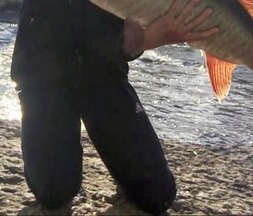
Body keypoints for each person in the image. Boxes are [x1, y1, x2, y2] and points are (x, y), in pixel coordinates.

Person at [11, 0, 218, 215]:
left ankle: (124, 169)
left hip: (104, 75)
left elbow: (127, 36)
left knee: (158, 196)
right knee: (54, 192)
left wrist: (140, 41)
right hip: (44, 79)